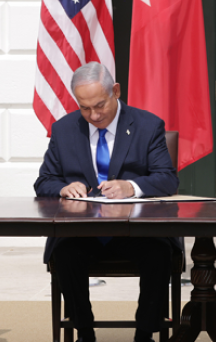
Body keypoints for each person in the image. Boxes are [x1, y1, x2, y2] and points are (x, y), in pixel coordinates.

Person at [35, 62, 179, 342]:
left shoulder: (147, 125)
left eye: (100, 105)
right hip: (82, 230)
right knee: (65, 254)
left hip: (136, 229)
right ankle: (84, 332)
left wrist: (132, 186)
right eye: (85, 108)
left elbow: (167, 180)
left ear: (116, 91)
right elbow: (43, 182)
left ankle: (145, 333)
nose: (94, 115)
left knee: (159, 254)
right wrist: (64, 188)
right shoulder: (64, 130)